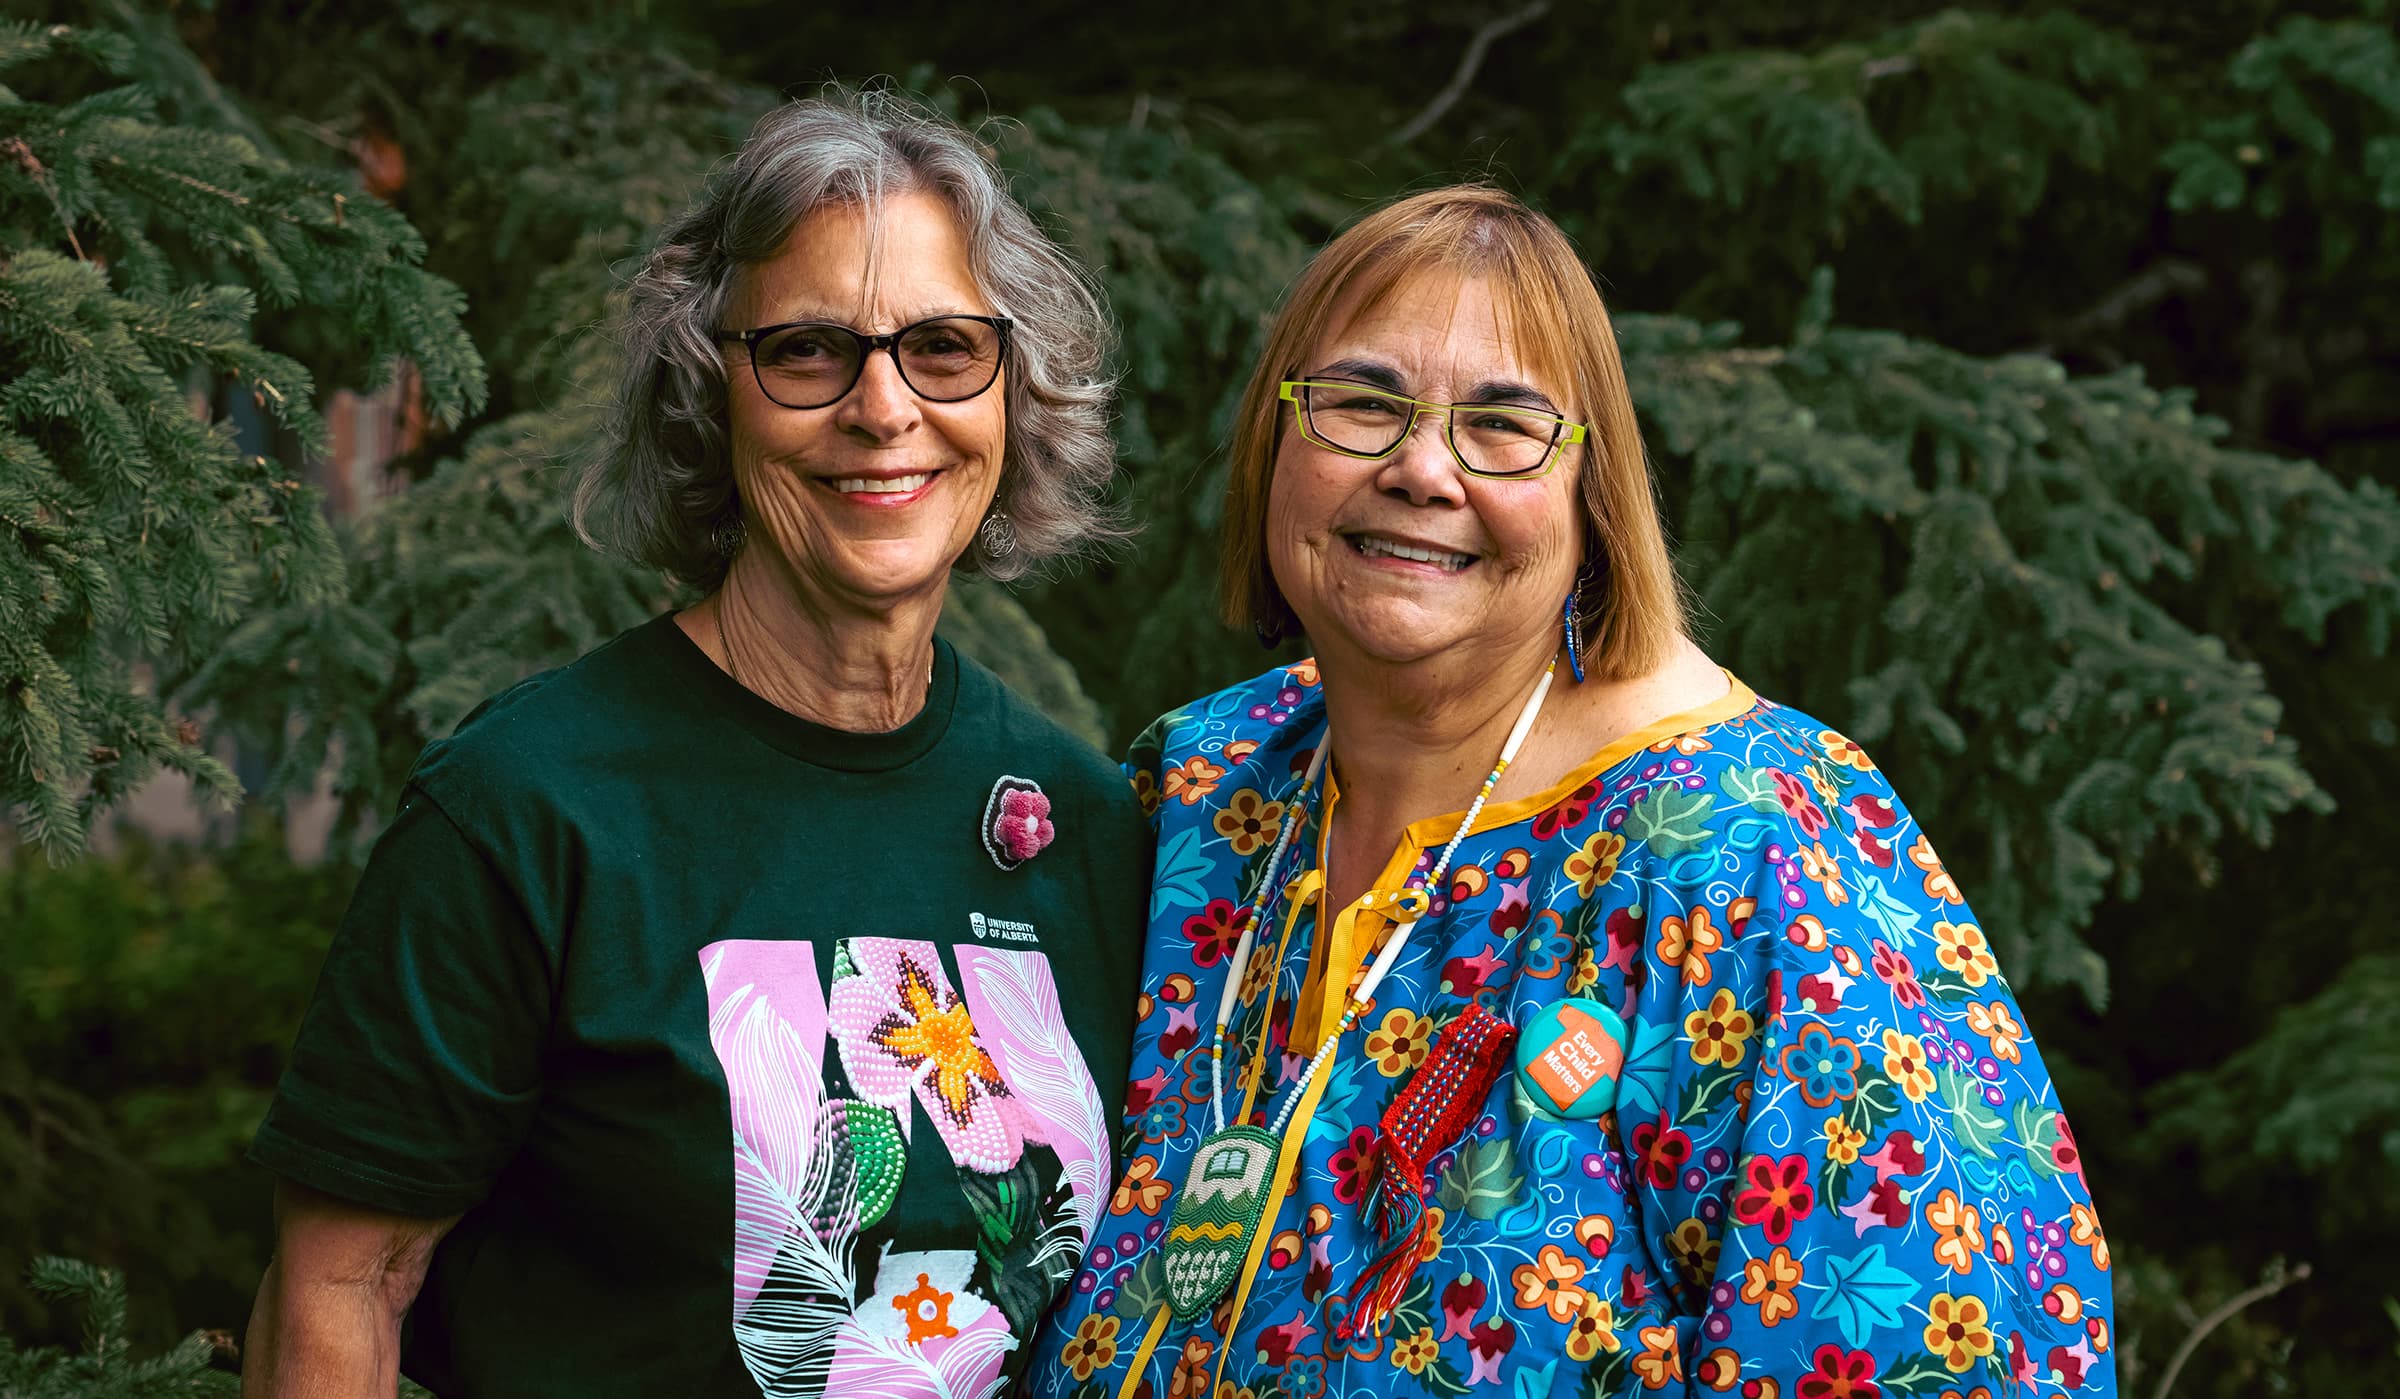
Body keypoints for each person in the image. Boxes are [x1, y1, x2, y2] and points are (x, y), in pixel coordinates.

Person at [1029, 187, 2114, 1397]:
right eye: (1362, 404)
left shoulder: (1746, 846)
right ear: (1275, 441)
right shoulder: (1203, 786)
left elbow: (1939, 1346)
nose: (1422, 468)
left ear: (1593, 496)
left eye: (1503, 426)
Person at [242, 93, 1148, 1399]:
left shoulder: (1084, 821)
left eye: (945, 348)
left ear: (1011, 389)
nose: (885, 408)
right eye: (808, 350)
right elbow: (345, 1281)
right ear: (709, 384)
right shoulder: (529, 805)